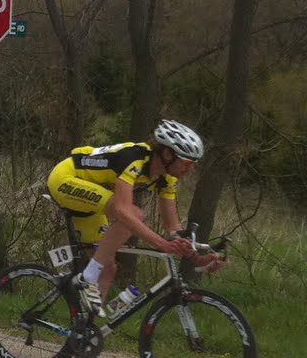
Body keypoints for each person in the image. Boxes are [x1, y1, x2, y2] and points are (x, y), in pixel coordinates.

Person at [47, 119, 205, 325]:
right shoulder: (134, 159)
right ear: (167, 154)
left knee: (108, 267)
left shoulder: (167, 178)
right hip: (65, 178)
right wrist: (161, 244)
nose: (190, 170)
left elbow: (173, 227)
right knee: (134, 214)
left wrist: (195, 254)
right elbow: (122, 210)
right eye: (187, 163)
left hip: (92, 196)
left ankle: (85, 331)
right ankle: (86, 278)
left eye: (193, 164)